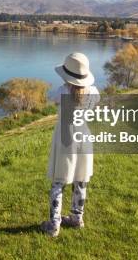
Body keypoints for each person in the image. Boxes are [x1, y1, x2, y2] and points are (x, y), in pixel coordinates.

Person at [41, 52, 100, 237]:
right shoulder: (94, 92)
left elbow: (54, 102)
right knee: (80, 179)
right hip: (83, 136)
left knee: (59, 181)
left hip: (65, 137)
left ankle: (53, 225)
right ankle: (76, 218)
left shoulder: (61, 91)